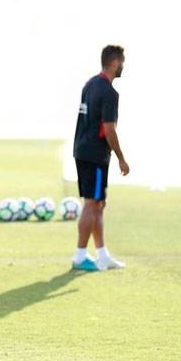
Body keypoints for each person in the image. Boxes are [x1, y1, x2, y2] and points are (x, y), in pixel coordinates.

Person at [71, 45, 129, 271]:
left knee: (98, 204)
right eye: (122, 62)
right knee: (92, 203)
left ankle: (102, 254)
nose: (123, 66)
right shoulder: (108, 92)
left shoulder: (90, 84)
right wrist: (121, 158)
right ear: (114, 62)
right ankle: (79, 255)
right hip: (95, 155)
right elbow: (109, 130)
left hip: (82, 151)